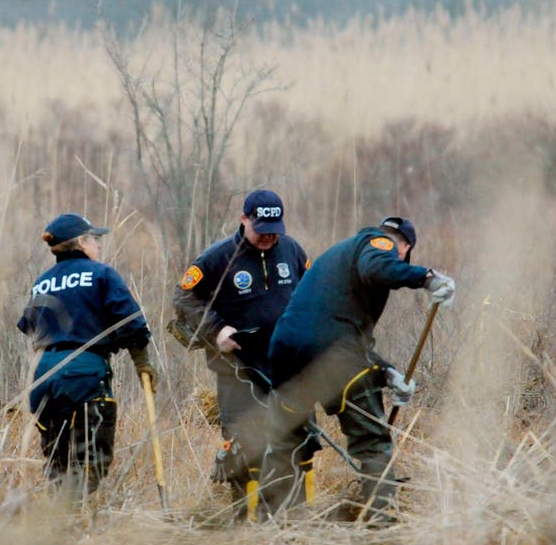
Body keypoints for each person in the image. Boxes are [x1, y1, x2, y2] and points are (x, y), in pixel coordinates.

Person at [261, 216, 455, 523]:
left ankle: (278, 524)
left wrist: (388, 374)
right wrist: (428, 278)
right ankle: (380, 523)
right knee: (372, 442)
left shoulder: (337, 259)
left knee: (286, 442)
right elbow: (375, 268)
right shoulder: (378, 243)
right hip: (333, 356)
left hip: (285, 355)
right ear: (404, 248)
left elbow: (339, 332)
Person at [172, 189, 309, 520]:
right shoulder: (218, 258)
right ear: (244, 219)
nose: (267, 236)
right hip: (238, 371)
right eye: (260, 228)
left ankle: (292, 523)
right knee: (245, 445)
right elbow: (184, 299)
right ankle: (241, 524)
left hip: (286, 367)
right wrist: (217, 329)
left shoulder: (290, 250)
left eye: (274, 228)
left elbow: (310, 292)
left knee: (294, 442)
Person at [16, 212, 157, 498]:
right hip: (84, 373)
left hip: (43, 375)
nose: (99, 245)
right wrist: (142, 364)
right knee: (90, 461)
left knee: (58, 461)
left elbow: (27, 326)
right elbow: (131, 323)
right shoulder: (102, 274)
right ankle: (82, 522)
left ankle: (59, 522)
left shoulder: (42, 281)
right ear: (81, 241)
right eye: (95, 239)